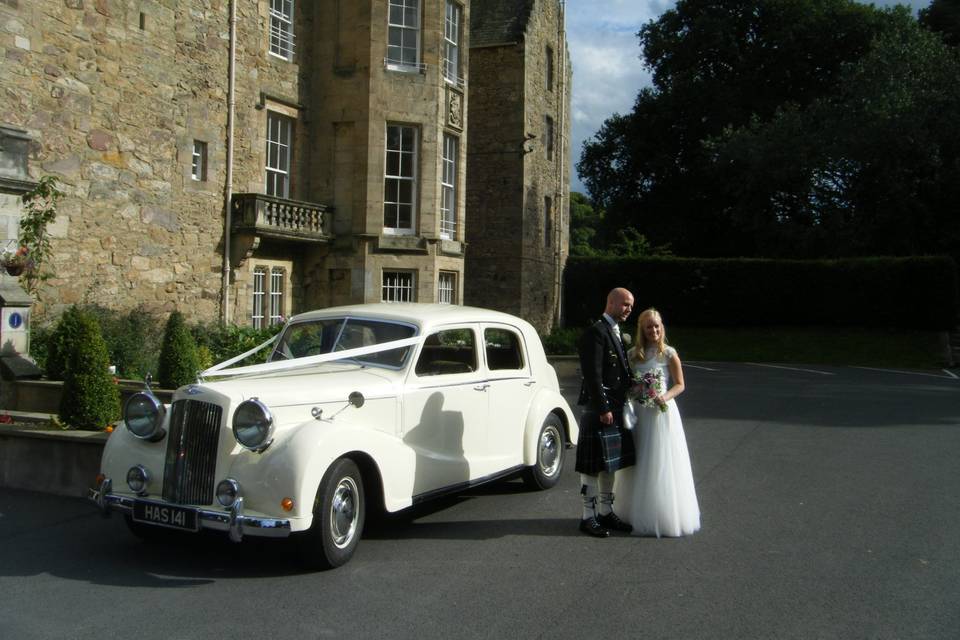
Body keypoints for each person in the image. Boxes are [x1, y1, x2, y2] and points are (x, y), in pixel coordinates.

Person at [615, 307, 700, 537]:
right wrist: (636, 390)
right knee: (639, 460)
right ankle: (633, 512)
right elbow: (629, 383)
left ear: (662, 328)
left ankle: (662, 515)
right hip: (641, 413)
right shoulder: (634, 354)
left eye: (657, 326)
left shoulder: (669, 353)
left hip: (662, 412)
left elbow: (680, 384)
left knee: (661, 462)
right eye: (649, 326)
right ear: (642, 329)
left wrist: (664, 396)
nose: (653, 330)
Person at [574, 287, 637, 537]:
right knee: (591, 466)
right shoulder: (596, 332)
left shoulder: (615, 332)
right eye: (625, 304)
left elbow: (619, 370)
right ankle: (587, 517)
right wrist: (603, 407)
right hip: (601, 408)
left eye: (631, 305)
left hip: (615, 406)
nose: (629, 309)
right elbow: (592, 375)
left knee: (609, 466)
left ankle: (605, 511)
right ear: (610, 302)